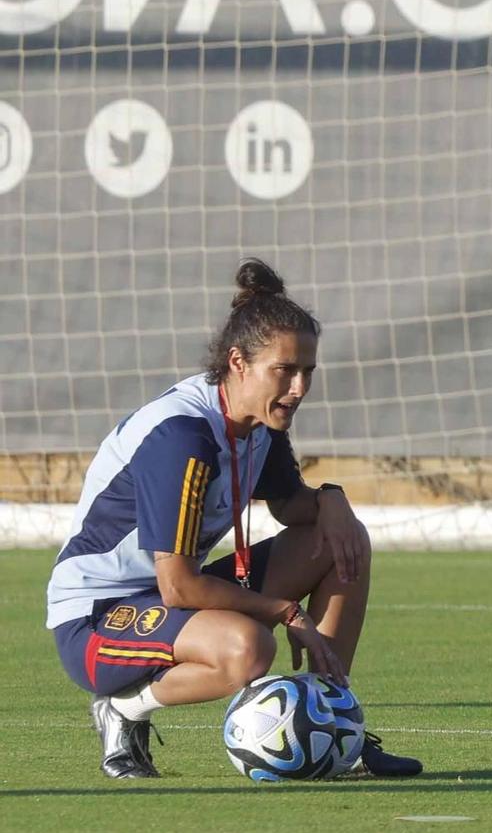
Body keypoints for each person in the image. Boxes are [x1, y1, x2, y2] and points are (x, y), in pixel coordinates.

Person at [45, 259, 422, 779]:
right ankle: (121, 709)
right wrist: (287, 612)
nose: (298, 388)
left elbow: (292, 506)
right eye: (284, 371)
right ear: (238, 362)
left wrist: (332, 499)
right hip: (95, 620)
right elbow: (177, 587)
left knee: (341, 540)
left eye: (307, 372)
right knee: (248, 650)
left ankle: (336, 727)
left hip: (168, 596)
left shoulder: (260, 420)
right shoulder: (182, 437)